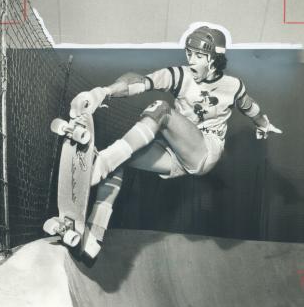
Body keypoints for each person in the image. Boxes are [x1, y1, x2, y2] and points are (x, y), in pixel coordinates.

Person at [70, 25, 282, 258]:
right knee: (123, 158)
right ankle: (94, 234)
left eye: (199, 56)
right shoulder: (181, 76)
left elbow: (249, 106)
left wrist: (263, 124)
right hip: (175, 156)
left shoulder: (233, 85)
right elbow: (141, 81)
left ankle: (101, 163)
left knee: (161, 109)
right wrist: (102, 92)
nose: (192, 61)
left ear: (215, 59)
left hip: (205, 152)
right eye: (189, 54)